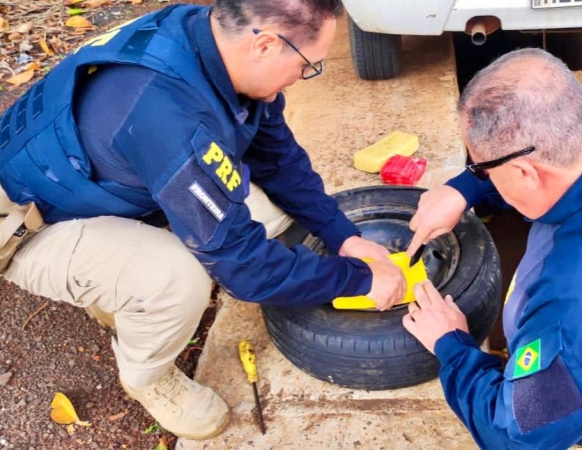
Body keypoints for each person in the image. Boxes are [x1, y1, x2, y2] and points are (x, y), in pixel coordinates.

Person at [0, 0, 407, 440]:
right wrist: (360, 281)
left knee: (268, 213)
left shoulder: (208, 35)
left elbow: (278, 157)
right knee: (174, 277)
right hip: (25, 224)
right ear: (266, 45)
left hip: (97, 174)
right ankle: (147, 377)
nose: (304, 77)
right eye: (308, 65)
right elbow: (245, 272)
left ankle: (119, 267)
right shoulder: (164, 112)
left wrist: (342, 235)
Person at [404, 48, 582, 450]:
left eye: (482, 169)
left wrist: (451, 343)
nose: (481, 176)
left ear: (524, 172)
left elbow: (513, 436)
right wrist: (462, 189)